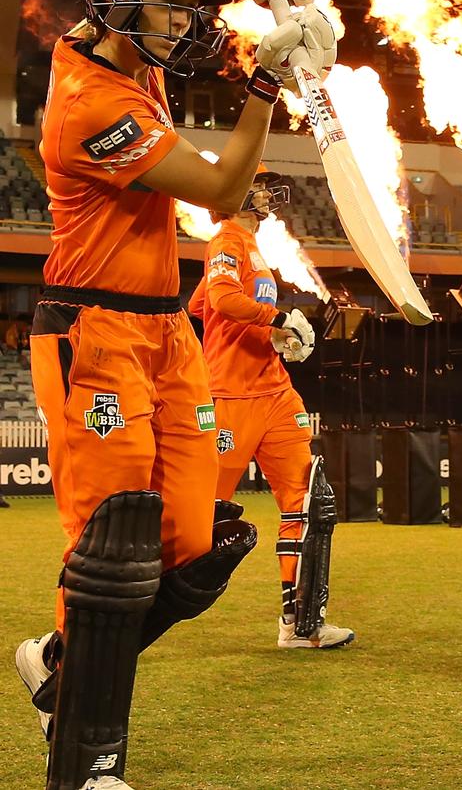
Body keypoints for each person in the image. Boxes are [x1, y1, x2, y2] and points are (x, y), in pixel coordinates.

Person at [13, 0, 336, 789]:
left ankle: (57, 660)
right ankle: (84, 758)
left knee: (195, 546)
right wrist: (269, 79)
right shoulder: (90, 103)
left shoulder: (130, 49)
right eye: (173, 8)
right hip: (96, 332)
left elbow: (179, 0)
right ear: (119, 6)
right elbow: (227, 186)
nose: (187, 26)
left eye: (190, 7)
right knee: (111, 545)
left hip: (165, 333)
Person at [188, 167, 354, 650]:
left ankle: (300, 626)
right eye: (258, 183)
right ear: (238, 193)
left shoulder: (249, 247)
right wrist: (276, 317)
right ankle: (129, 610)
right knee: (201, 516)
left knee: (306, 504)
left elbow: (202, 305)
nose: (266, 192)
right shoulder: (227, 239)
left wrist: (271, 335)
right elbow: (220, 297)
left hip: (276, 394)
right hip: (230, 398)